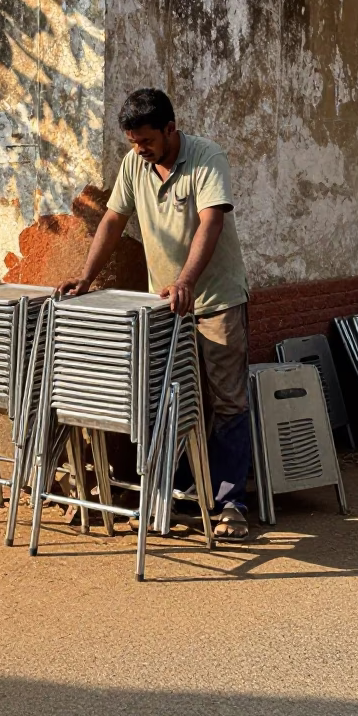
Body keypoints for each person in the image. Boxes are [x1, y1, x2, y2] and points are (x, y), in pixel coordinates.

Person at [59, 87, 251, 540]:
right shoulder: (134, 165)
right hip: (163, 307)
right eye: (133, 143)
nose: (139, 151)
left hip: (216, 301)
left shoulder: (207, 158)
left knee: (226, 402)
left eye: (146, 141)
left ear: (170, 129)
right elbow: (112, 220)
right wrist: (87, 277)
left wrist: (185, 281)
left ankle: (230, 503)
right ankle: (172, 492)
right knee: (168, 402)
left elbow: (212, 221)